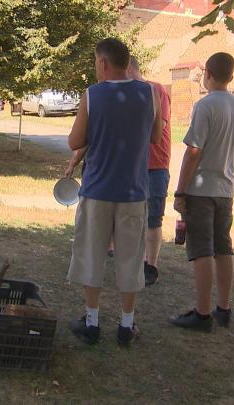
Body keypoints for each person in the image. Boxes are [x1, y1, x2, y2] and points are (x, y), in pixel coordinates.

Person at [66, 38, 162, 347]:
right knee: (131, 259)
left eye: (96, 63)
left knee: (92, 254)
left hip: (97, 190)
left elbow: (74, 141)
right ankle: (126, 324)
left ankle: (92, 322)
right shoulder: (150, 93)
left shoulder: (92, 95)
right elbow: (157, 136)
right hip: (133, 191)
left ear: (104, 63)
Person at [170, 52, 234, 332]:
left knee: (202, 249)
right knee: (223, 247)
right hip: (226, 189)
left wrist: (180, 191)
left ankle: (202, 314)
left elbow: (193, 151)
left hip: (201, 190)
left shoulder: (205, 106)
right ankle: (223, 308)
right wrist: (227, 171)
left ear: (208, 75)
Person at [127, 56, 172, 286]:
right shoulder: (126, 94)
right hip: (133, 164)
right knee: (133, 216)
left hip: (156, 165)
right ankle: (136, 261)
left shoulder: (157, 90)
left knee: (153, 217)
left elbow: (159, 127)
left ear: (129, 69)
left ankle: (151, 265)